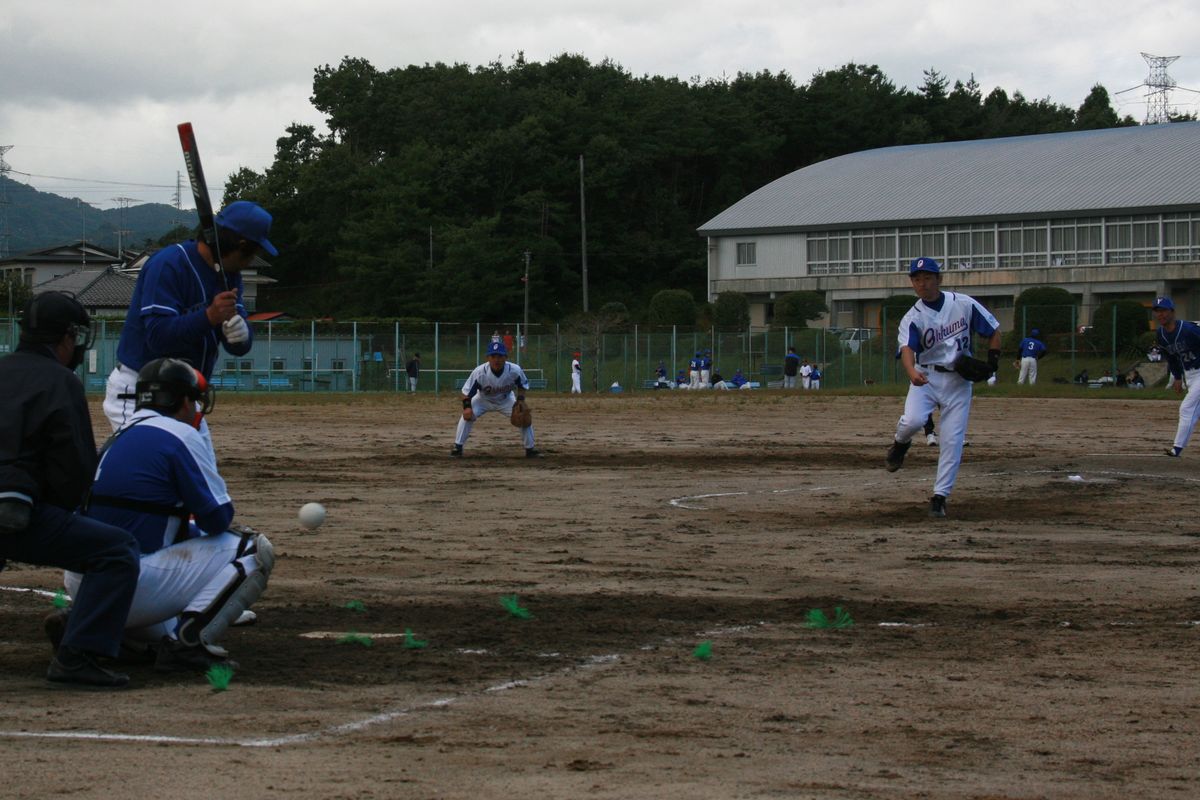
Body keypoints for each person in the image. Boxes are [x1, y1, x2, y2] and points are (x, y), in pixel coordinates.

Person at [69, 358, 274, 672]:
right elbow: (217, 518)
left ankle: (101, 630)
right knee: (253, 549)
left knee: (161, 629)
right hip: (128, 580)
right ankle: (190, 643)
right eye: (193, 399)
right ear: (182, 400)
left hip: (83, 580)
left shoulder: (120, 434)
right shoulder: (180, 435)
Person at [0, 292, 140, 688]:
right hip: (18, 514)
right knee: (117, 551)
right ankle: (78, 655)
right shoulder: (61, 382)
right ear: (68, 337)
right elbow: (74, 472)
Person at [104, 200, 277, 434]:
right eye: (253, 251)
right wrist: (209, 316)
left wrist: (240, 334)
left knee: (199, 469)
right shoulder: (168, 264)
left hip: (185, 396)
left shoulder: (229, 274)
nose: (251, 260)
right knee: (153, 464)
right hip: (141, 391)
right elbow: (157, 336)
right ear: (241, 244)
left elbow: (238, 347)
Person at [884, 257, 1001, 518]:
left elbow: (994, 330)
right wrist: (912, 371)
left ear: (939, 279)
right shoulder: (912, 317)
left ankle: (940, 497)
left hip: (959, 381)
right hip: (926, 377)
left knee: (952, 440)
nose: (922, 284)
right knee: (913, 420)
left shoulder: (963, 304)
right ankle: (900, 444)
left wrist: (993, 362)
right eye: (917, 279)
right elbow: (907, 349)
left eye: (927, 278)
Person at [451, 341, 541, 458]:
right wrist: (467, 407)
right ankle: (458, 448)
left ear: (506, 357)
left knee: (523, 418)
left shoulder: (514, 370)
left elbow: (523, 385)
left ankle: (530, 450)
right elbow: (465, 392)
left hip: (506, 400)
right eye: (493, 356)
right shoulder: (480, 372)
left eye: (500, 356)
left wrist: (520, 400)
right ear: (488, 358)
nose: (496, 360)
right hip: (482, 400)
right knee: (466, 417)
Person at [1152, 296, 1200, 457]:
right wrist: (1178, 378)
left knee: (1187, 408)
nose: (1161, 314)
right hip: (1190, 376)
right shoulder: (1161, 334)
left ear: (1172, 312)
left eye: (1164, 310)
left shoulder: (1188, 329)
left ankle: (1177, 448)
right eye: (1157, 311)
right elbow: (1171, 357)